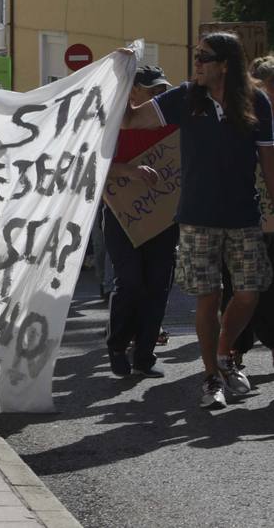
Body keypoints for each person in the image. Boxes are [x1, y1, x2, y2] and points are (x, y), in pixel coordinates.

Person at [124, 33, 274, 409]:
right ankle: (211, 378)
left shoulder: (257, 102)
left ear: (225, 64)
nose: (197, 64)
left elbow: (270, 166)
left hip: (244, 216)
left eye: (203, 58)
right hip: (197, 218)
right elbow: (130, 121)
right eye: (195, 56)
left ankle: (225, 353)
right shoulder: (185, 97)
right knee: (207, 299)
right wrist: (119, 75)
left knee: (248, 294)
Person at [104, 65, 179, 378]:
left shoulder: (171, 122)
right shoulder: (112, 123)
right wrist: (129, 172)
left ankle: (144, 356)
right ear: (132, 91)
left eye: (162, 89)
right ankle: (118, 345)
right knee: (131, 282)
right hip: (122, 214)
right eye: (153, 89)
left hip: (164, 216)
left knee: (158, 284)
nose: (159, 95)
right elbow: (93, 165)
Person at [222, 54, 274, 370]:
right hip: (243, 217)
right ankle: (233, 351)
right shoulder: (239, 122)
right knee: (240, 288)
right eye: (268, 89)